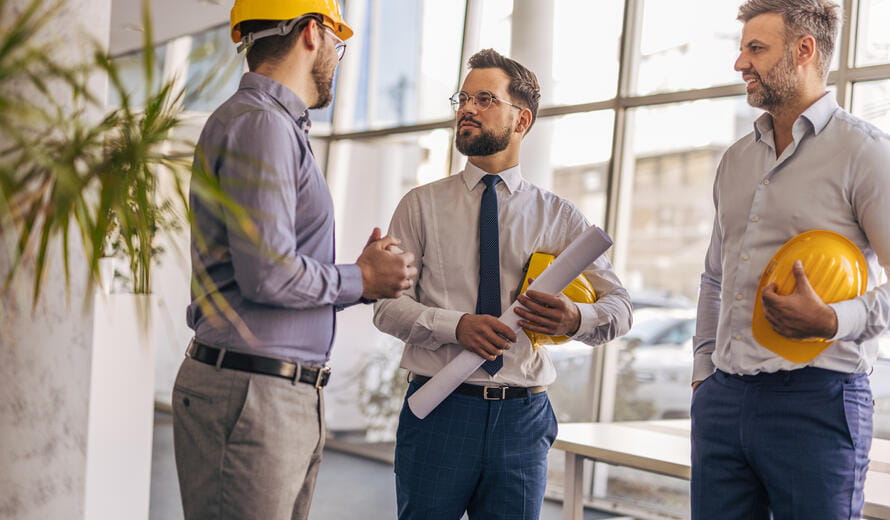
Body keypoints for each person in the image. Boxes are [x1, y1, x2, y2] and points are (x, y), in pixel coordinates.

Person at [171, 2, 417, 519]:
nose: (336, 56)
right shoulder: (261, 125)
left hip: (273, 393)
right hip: (252, 396)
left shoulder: (272, 126)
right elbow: (268, 275)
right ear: (311, 33)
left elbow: (273, 270)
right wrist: (361, 277)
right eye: (336, 41)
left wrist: (362, 282)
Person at [373, 48, 633, 520]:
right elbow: (386, 309)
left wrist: (576, 318)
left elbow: (620, 308)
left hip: (522, 418)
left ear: (522, 120)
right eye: (464, 98)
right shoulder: (420, 206)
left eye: (486, 98)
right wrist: (457, 326)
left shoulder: (560, 216)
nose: (467, 108)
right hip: (439, 410)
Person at [691, 0, 890, 518]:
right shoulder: (736, 159)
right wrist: (702, 373)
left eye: (756, 49)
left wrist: (833, 320)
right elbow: (715, 277)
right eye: (741, 49)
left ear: (804, 50)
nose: (740, 63)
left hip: (818, 400)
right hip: (724, 398)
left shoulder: (865, 153)